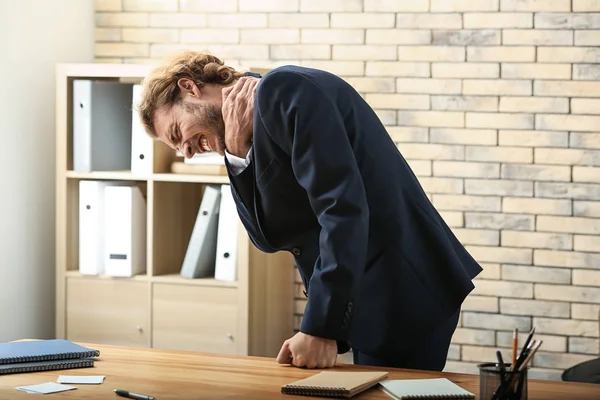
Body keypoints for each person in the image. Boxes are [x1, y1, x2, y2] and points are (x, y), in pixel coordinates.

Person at [137, 50, 483, 371]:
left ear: (189, 87)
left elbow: (341, 210)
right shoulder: (246, 134)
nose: (187, 152)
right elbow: (268, 239)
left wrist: (319, 328)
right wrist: (238, 151)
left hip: (402, 290)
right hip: (373, 297)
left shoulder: (282, 89)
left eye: (178, 131)